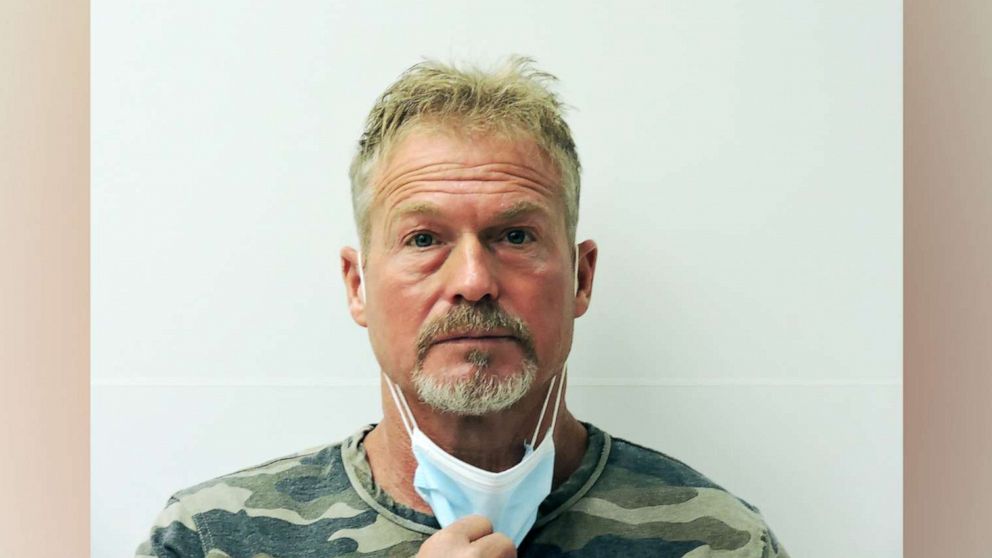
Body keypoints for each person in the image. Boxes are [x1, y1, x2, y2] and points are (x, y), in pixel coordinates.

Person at [136, 56, 789, 558]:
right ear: (358, 285)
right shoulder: (209, 540)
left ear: (582, 278)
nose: (474, 281)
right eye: (424, 239)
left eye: (516, 236)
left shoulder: (723, 542)